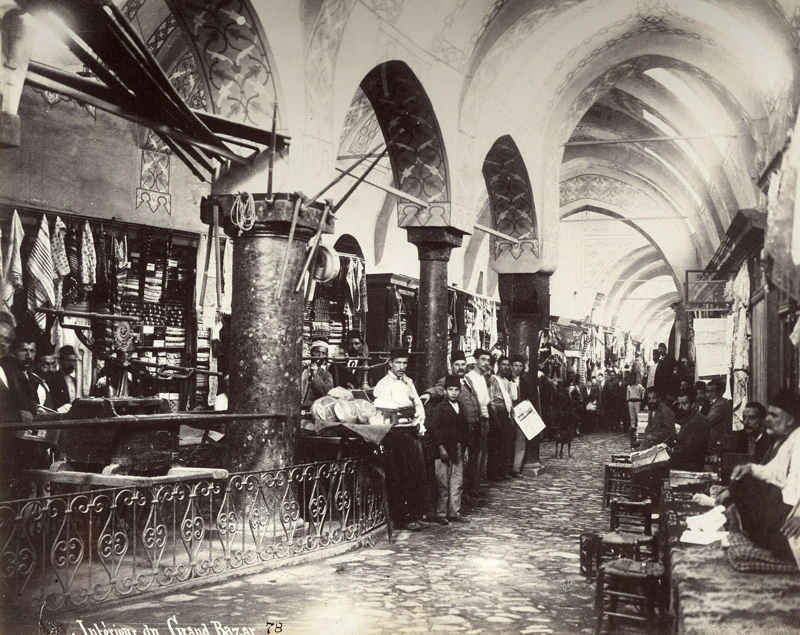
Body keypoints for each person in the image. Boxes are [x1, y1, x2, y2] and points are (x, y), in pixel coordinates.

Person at [729, 390, 800, 561]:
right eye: (768, 414)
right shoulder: (789, 440)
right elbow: (773, 472)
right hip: (786, 509)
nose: (767, 419)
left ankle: (770, 538)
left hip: (794, 515)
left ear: (790, 420)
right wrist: (750, 469)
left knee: (779, 543)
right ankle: (766, 536)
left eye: (774, 415)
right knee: (743, 480)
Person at [373, 348, 428, 532]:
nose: (401, 367)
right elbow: (383, 409)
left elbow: (418, 403)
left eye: (404, 363)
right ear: (390, 363)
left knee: (416, 473)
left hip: (411, 430)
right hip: (395, 433)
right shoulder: (384, 384)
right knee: (400, 474)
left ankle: (415, 514)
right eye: (398, 363)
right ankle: (403, 517)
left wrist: (419, 419)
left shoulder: (408, 382)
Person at [421, 351, 483, 506]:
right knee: (457, 466)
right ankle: (453, 503)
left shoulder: (468, 380)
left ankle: (465, 495)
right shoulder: (447, 381)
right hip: (459, 429)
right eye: (457, 365)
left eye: (463, 364)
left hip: (473, 425)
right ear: (451, 366)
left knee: (470, 462)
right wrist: (428, 395)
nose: (460, 367)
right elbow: (438, 389)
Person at [427, 375, 470, 524]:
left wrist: (465, 448)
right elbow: (433, 428)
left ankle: (454, 512)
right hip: (443, 450)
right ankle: (441, 513)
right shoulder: (439, 408)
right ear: (445, 391)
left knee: (457, 482)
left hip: (457, 449)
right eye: (451, 389)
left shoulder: (461, 407)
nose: (454, 393)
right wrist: (441, 447)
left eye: (456, 390)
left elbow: (465, 429)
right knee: (442, 483)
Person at [464, 349, 492, 498]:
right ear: (475, 360)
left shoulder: (483, 378)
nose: (486, 363)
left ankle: (475, 486)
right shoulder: (470, 377)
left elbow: (485, 401)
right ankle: (469, 488)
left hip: (484, 417)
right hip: (474, 418)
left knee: (481, 453)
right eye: (483, 359)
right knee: (473, 454)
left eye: (488, 360)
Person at [669, 389, 710, 472]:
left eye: (684, 404)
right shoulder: (688, 418)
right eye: (679, 404)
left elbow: (689, 450)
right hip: (683, 463)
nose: (680, 407)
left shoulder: (699, 421)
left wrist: (671, 453)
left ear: (693, 404)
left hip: (691, 467)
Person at [487, 355, 514, 481]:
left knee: (505, 443)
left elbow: (509, 399)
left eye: (508, 365)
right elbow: (491, 398)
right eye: (503, 364)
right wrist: (494, 416)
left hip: (506, 412)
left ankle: (503, 471)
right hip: (497, 412)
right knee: (496, 444)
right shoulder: (493, 379)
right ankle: (493, 472)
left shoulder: (507, 382)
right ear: (498, 365)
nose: (505, 367)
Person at [508, 354, 531, 476]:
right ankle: (505, 468)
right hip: (508, 413)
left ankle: (516, 468)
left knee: (520, 441)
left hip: (521, 414)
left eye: (520, 366)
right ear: (511, 366)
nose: (518, 368)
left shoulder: (524, 383)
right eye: (516, 366)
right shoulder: (506, 380)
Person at [705, 377, 733, 452]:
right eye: (707, 391)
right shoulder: (715, 403)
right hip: (716, 444)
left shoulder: (721, 404)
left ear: (720, 392)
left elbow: (707, 421)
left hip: (720, 445)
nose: (709, 394)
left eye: (712, 391)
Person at [50, 345, 82, 409]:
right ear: (60, 361)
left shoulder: (77, 380)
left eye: (74, 361)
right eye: (68, 360)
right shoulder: (53, 379)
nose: (72, 364)